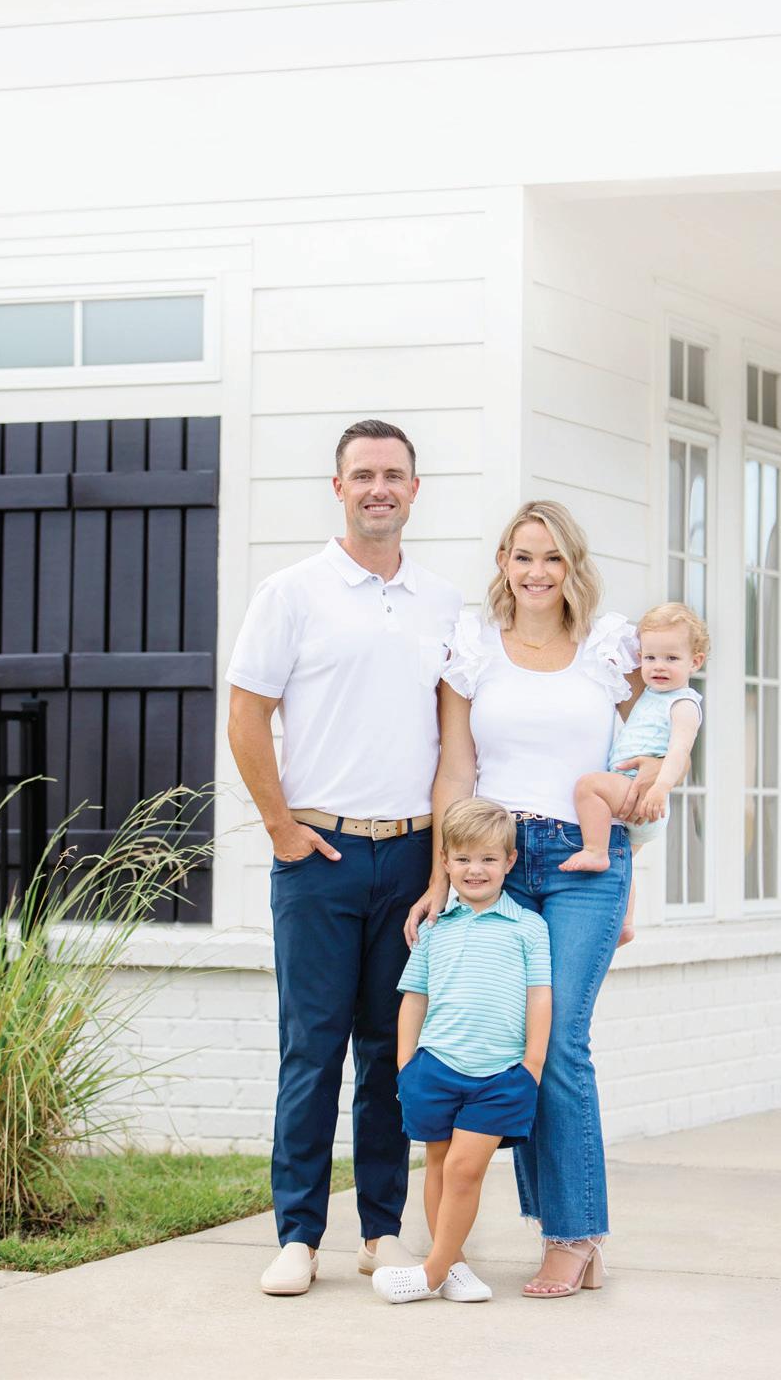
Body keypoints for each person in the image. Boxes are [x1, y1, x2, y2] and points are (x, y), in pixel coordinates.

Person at [406, 500, 679, 1299]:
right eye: (522, 555)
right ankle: (562, 1228)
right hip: (497, 858)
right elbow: (456, 770)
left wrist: (631, 875)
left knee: (558, 1043)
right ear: (502, 561)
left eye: (552, 557)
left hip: (584, 862)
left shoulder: (609, 650)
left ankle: (574, 1234)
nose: (536, 572)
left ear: (571, 565)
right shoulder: (474, 649)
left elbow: (641, 761)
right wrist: (439, 876)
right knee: (508, 1043)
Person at [226, 419, 462, 1297]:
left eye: (393, 474)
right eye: (362, 474)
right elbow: (245, 715)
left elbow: (455, 740)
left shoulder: (443, 603)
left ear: (414, 488)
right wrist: (281, 828)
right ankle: (297, 1235)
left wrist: (442, 862)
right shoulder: (291, 592)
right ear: (338, 487)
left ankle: (380, 1231)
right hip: (318, 854)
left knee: (391, 1052)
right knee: (311, 1049)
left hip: (409, 855)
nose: (378, 488)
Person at [372, 797, 552, 1305]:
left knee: (464, 1169)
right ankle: (453, 1266)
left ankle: (429, 1273)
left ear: (509, 862)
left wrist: (532, 1066)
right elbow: (414, 998)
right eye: (465, 858)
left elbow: (540, 997)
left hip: (501, 1073)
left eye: (489, 859)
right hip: (435, 1067)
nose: (476, 869)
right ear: (446, 862)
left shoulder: (528, 927)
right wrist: (406, 1066)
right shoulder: (436, 928)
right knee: (437, 1165)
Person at [559, 602, 708, 873]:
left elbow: (679, 751)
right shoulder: (653, 694)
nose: (659, 666)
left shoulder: (683, 704)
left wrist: (661, 788)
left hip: (642, 792)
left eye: (671, 658)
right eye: (650, 658)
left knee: (588, 786)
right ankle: (621, 897)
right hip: (629, 788)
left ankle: (595, 851)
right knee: (625, 871)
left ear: (695, 662)